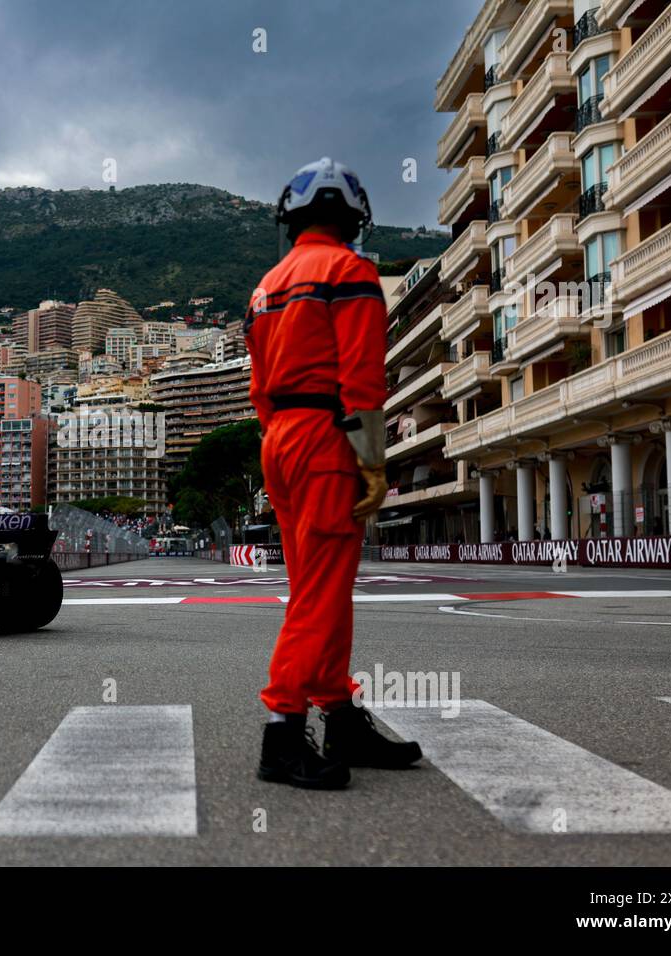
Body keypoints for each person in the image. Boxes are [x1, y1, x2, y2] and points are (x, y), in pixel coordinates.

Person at [245, 156, 421, 790]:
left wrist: (282, 442)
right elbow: (363, 379)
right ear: (353, 218)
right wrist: (372, 461)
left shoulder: (266, 286)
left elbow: (258, 386)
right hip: (326, 438)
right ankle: (283, 734)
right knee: (319, 593)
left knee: (323, 586)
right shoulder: (351, 271)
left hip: (280, 440)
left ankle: (340, 717)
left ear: (291, 220)